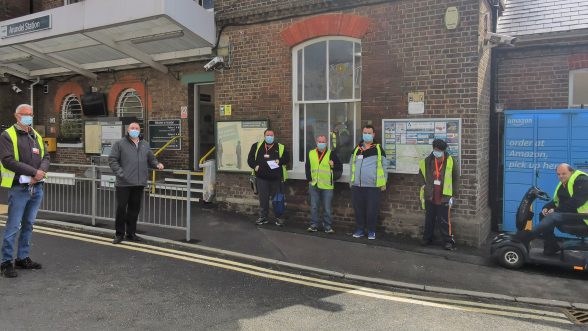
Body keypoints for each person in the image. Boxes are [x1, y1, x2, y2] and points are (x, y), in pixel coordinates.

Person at [0, 104, 49, 278]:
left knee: (28, 224)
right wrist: (34, 172)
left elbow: (46, 156)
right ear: (16, 116)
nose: (28, 117)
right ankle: (5, 262)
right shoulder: (7, 136)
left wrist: (40, 172)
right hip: (19, 187)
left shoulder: (35, 135)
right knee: (13, 226)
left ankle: (22, 258)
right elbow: (7, 160)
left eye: (30, 114)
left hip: (36, 187)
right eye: (25, 114)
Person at [109, 122, 164, 244]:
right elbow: (112, 160)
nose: (134, 130)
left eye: (136, 128)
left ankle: (131, 233)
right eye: (132, 128)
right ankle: (119, 234)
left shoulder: (145, 144)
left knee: (134, 210)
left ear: (140, 130)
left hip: (139, 183)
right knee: (121, 209)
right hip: (123, 183)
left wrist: (157, 164)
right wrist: (120, 173)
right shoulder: (120, 144)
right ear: (128, 130)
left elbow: (151, 159)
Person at [517, 163, 588, 255]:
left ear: (571, 171)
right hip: (574, 216)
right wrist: (546, 207)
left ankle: (527, 237)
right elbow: (556, 202)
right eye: (558, 174)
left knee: (553, 216)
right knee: (543, 215)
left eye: (563, 173)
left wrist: (555, 210)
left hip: (584, 219)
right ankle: (551, 246)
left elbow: (576, 202)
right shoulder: (563, 184)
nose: (561, 176)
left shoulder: (582, 180)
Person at [418, 139, 459, 250]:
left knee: (444, 220)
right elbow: (420, 173)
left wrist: (453, 195)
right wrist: (423, 185)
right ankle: (427, 238)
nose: (437, 152)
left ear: (443, 150)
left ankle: (448, 241)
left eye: (439, 150)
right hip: (430, 195)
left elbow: (456, 178)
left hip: (444, 196)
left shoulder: (451, 161)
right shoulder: (427, 160)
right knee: (429, 219)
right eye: (435, 149)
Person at [350, 125, 387, 240]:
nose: (366, 135)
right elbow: (352, 165)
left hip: (373, 186)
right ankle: (360, 229)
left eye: (369, 133)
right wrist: (351, 181)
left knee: (372, 210)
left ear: (373, 134)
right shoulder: (357, 149)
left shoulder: (378, 149)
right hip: (357, 185)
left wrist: (384, 181)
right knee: (358, 209)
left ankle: (371, 231)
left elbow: (384, 166)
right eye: (365, 132)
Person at [247, 129, 289, 226]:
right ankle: (263, 217)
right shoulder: (256, 146)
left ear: (274, 136)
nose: (269, 137)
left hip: (276, 179)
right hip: (261, 178)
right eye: (267, 135)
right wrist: (255, 166)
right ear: (264, 136)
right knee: (263, 199)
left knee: (278, 199)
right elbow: (250, 159)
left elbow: (287, 158)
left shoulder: (280, 147)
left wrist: (280, 160)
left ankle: (279, 218)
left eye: (271, 135)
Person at [305, 135, 342, 233]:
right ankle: (314, 225)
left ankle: (327, 226)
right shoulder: (311, 153)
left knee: (327, 208)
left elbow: (339, 167)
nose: (321, 143)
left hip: (327, 185)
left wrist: (333, 165)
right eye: (319, 141)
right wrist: (309, 178)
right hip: (314, 184)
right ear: (316, 142)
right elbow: (307, 166)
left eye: (323, 141)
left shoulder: (331, 154)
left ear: (326, 143)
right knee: (314, 206)